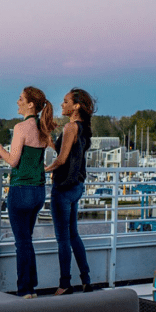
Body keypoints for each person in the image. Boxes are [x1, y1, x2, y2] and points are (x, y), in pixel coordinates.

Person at [0, 86, 56, 298]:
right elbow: (25, 157)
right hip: (38, 192)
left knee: (22, 242)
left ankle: (25, 290)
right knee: (26, 239)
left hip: (21, 191)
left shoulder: (20, 127)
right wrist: (2, 154)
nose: (17, 102)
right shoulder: (43, 129)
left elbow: (14, 161)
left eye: (20, 99)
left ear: (30, 104)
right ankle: (31, 287)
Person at [45, 88, 96, 295]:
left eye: (66, 102)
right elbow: (69, 153)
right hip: (77, 187)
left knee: (63, 239)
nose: (62, 105)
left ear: (76, 106)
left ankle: (64, 284)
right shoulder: (83, 128)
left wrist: (44, 169)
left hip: (63, 188)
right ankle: (86, 280)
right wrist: (51, 142)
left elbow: (62, 160)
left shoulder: (70, 127)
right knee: (74, 235)